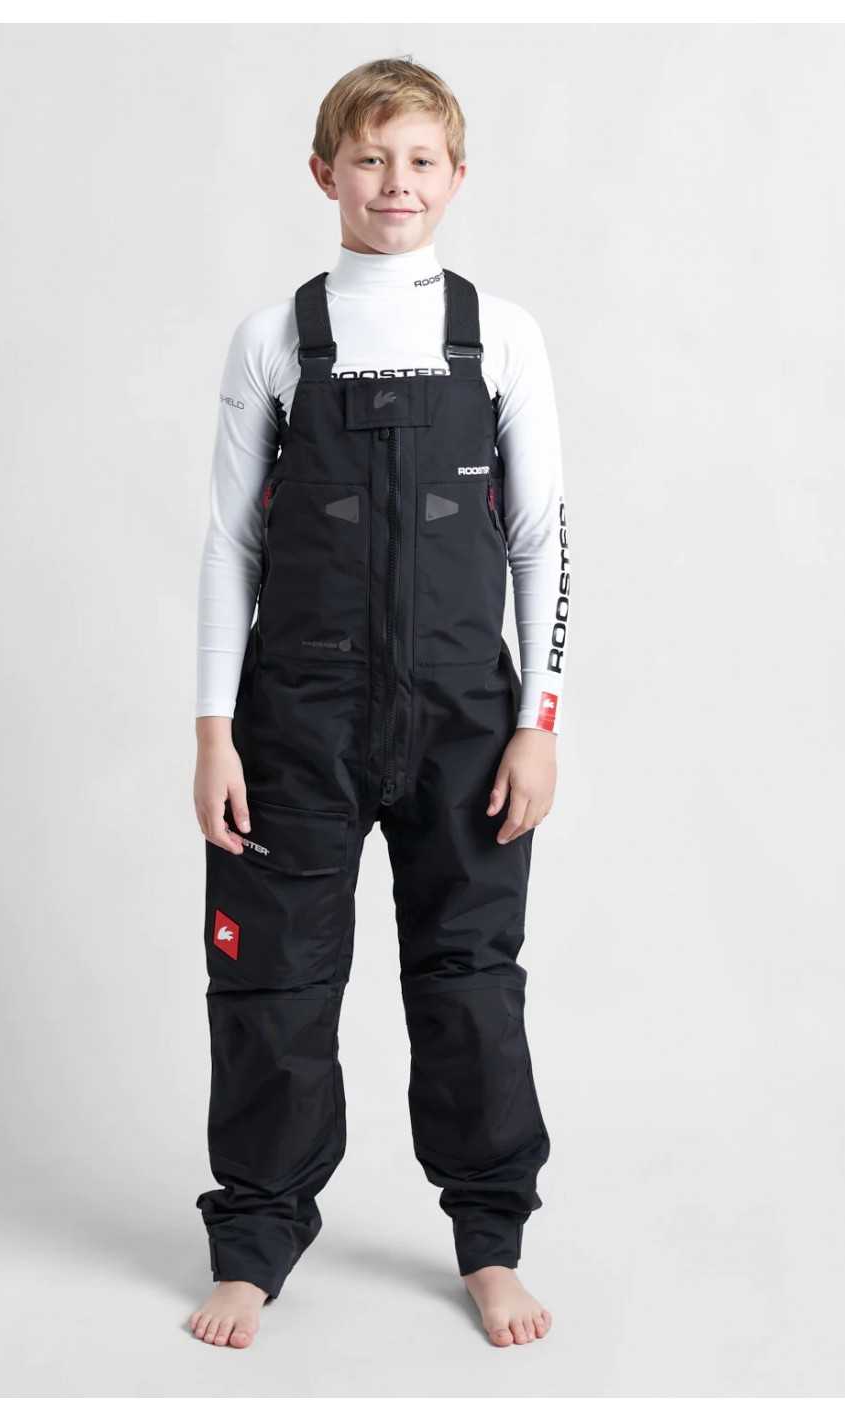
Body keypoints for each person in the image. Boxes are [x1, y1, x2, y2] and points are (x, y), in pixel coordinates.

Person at [188, 56, 570, 1350]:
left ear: (455, 177)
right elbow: (229, 546)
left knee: (471, 982)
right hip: (293, 724)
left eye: (418, 161)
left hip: (466, 724)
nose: (393, 183)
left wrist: (538, 725)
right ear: (325, 174)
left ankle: (490, 1242)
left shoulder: (499, 335)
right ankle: (254, 1244)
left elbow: (544, 542)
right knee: (272, 987)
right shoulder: (275, 339)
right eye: (368, 159)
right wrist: (212, 731)